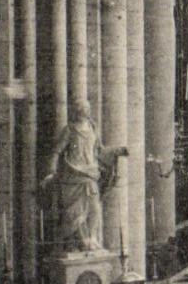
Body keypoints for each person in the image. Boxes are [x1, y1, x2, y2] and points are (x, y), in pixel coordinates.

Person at [42, 100, 127, 253]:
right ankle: (84, 241)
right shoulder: (69, 130)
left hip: (90, 173)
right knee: (76, 211)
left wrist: (117, 150)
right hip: (73, 175)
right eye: (81, 108)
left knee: (95, 208)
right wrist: (51, 172)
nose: (85, 111)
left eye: (87, 108)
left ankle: (92, 238)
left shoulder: (92, 128)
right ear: (76, 111)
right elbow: (56, 151)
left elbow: (100, 151)